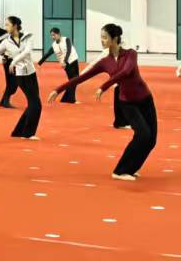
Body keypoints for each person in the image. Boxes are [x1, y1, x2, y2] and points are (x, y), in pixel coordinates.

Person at [47, 23, 158, 178]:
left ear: (115, 38)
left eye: (105, 37)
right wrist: (58, 89)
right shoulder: (105, 61)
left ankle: (131, 169)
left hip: (145, 99)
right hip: (127, 103)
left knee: (151, 140)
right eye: (101, 37)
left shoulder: (131, 54)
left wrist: (104, 86)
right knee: (143, 134)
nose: (102, 40)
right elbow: (81, 78)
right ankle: (121, 171)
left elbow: (126, 71)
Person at [39, 27, 80, 103]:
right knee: (73, 81)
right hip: (66, 65)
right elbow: (48, 54)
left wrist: (65, 61)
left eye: (54, 35)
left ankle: (66, 99)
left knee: (73, 81)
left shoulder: (66, 39)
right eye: (51, 35)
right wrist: (39, 63)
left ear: (59, 34)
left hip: (73, 61)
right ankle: (70, 99)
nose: (52, 37)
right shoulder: (54, 45)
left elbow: (69, 51)